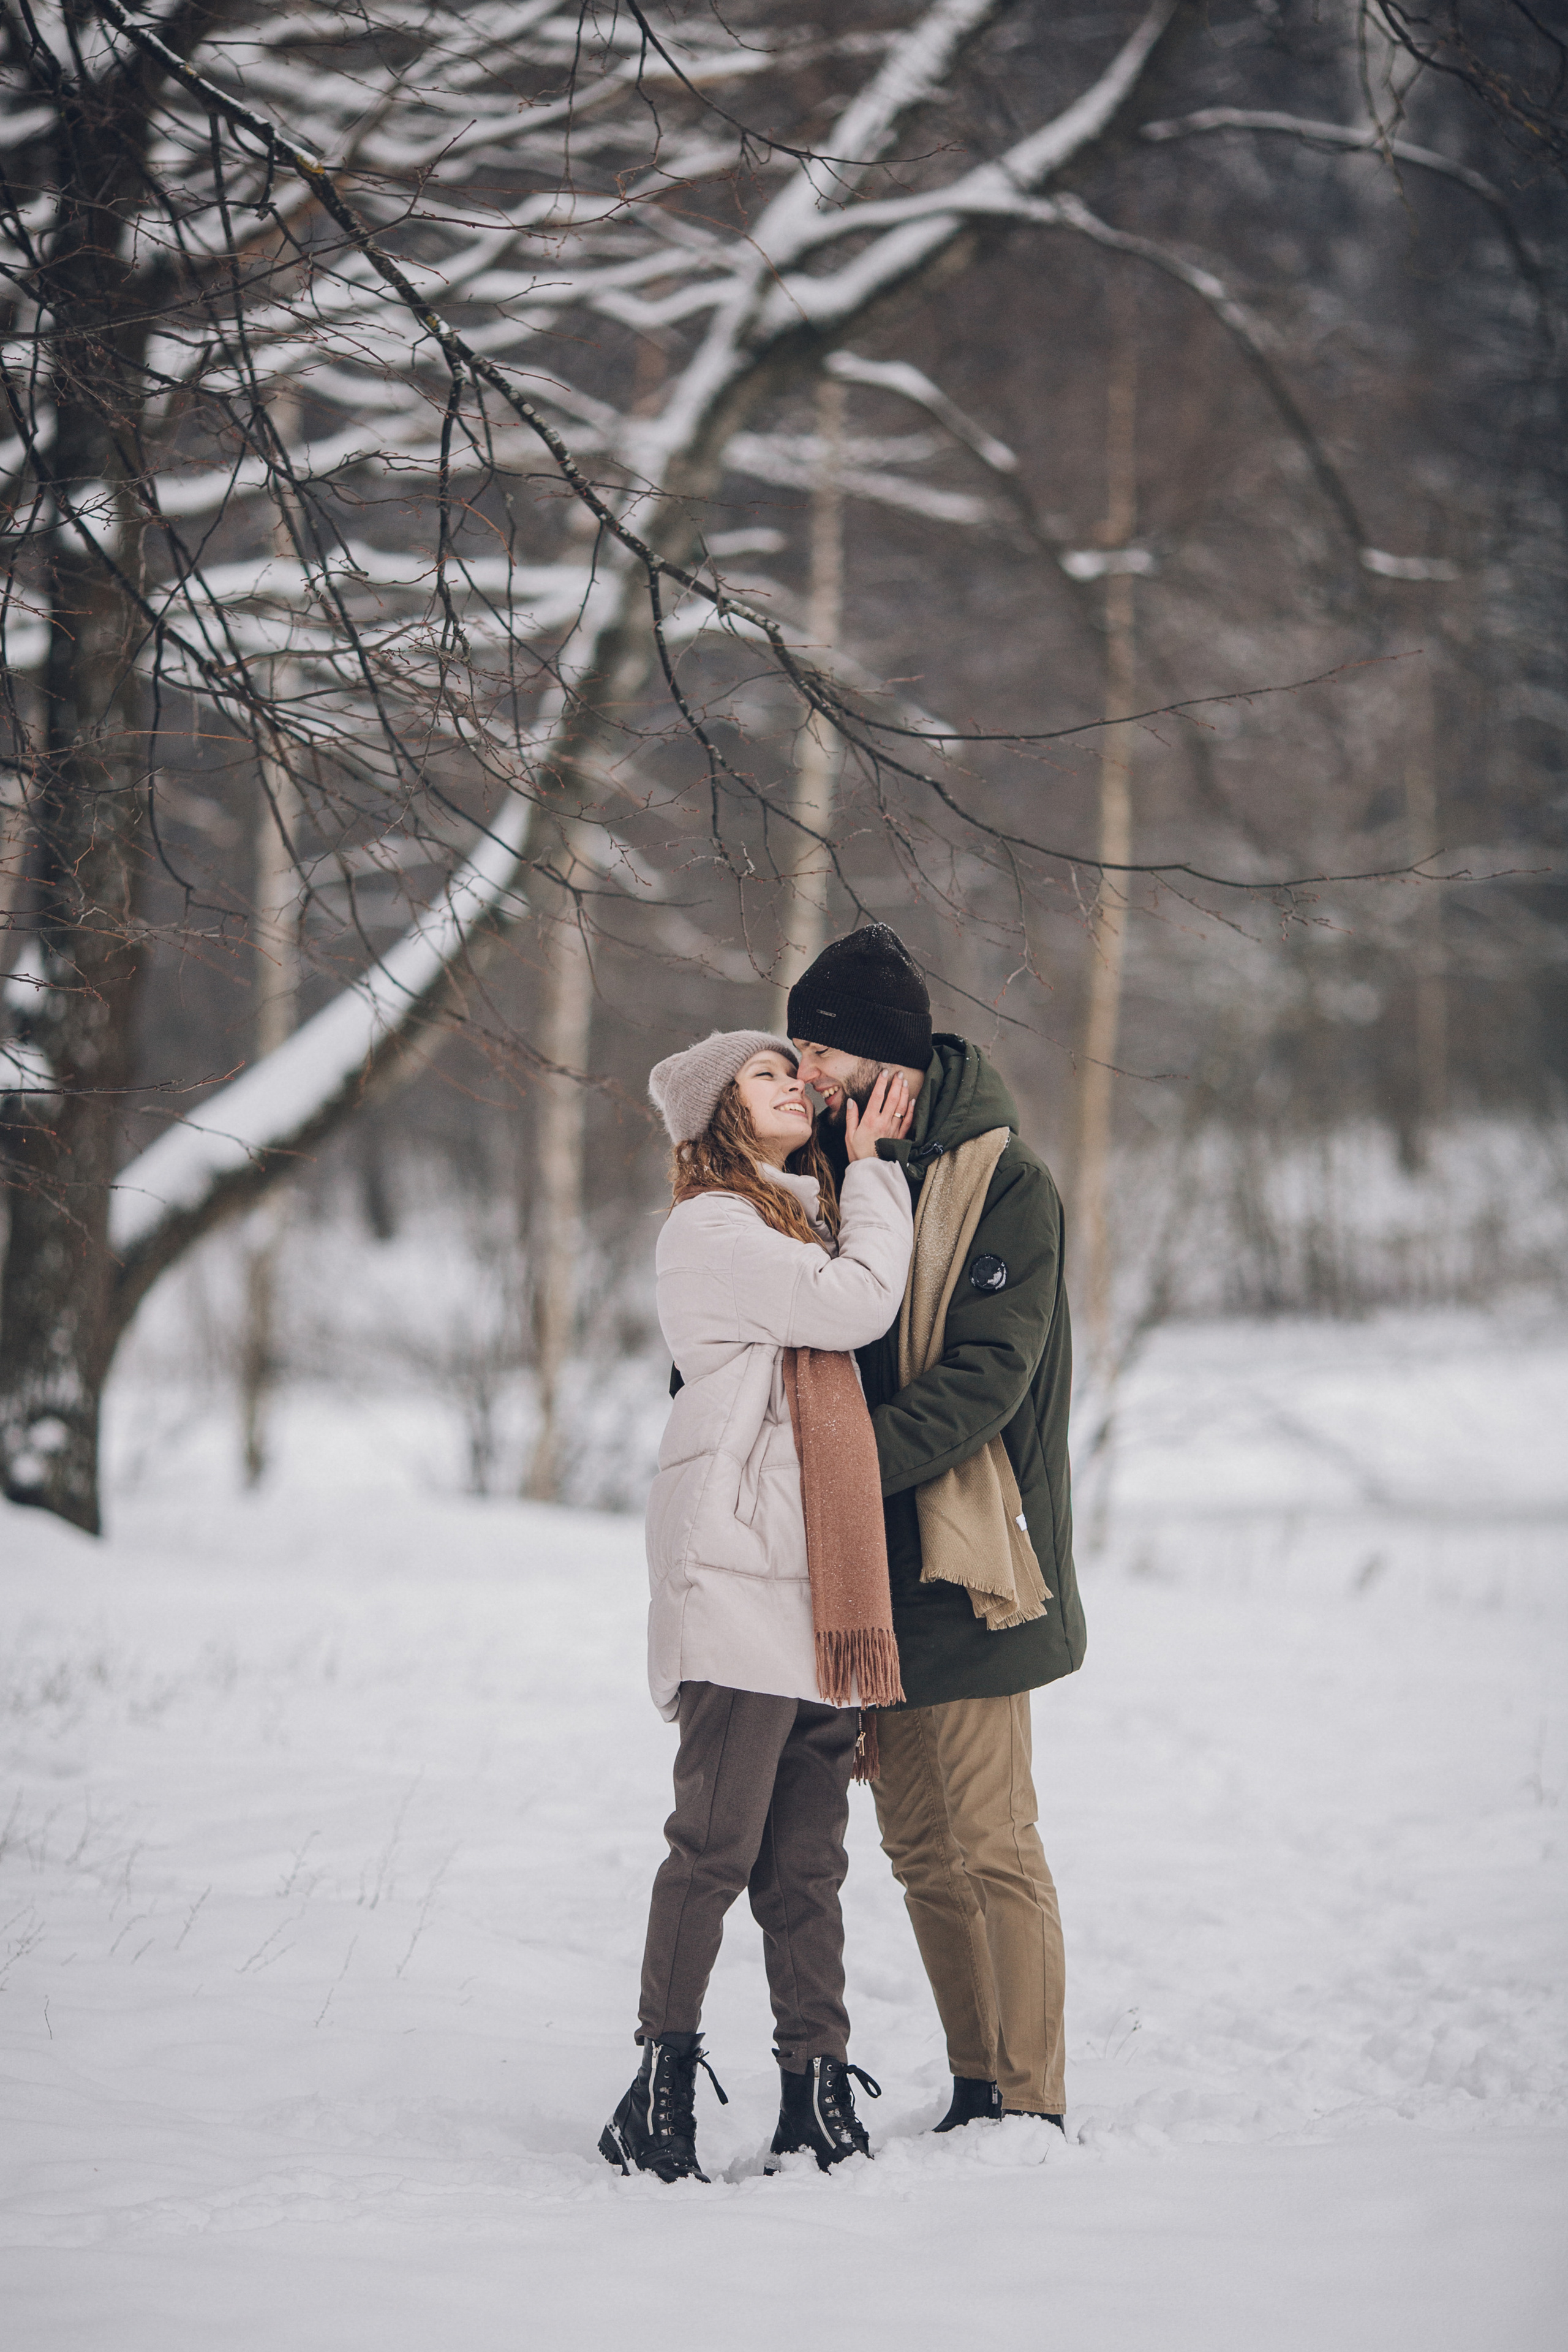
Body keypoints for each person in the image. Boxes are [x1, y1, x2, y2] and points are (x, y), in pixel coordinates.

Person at [600, 1030, 914, 2184]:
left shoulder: (796, 1217)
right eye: (768, 1077)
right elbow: (860, 1302)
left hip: (818, 1585)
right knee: (715, 1848)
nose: (796, 1086)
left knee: (807, 1866)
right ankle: (657, 2087)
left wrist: (854, 1185)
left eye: (797, 1071)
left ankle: (813, 2091)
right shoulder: (716, 1229)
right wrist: (876, 1166)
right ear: (718, 1115)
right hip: (739, 1578)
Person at [789, 925, 1086, 2132]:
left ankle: (1025, 2099)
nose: (803, 1071)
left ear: (882, 1059)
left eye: (821, 1050)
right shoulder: (820, 1172)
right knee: (919, 1844)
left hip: (973, 1562)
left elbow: (982, 1382)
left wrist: (833, 1474)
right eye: (797, 1046)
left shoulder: (1001, 1181)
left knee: (988, 1842)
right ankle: (976, 2082)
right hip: (869, 1570)